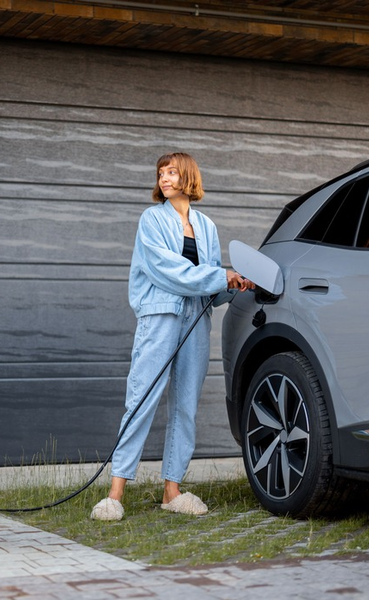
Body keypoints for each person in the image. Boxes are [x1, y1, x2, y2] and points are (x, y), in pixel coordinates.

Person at [91, 152, 253, 521]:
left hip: (195, 322)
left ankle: (172, 490)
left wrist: (236, 284)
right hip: (161, 318)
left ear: (188, 178)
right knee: (141, 400)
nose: (164, 179)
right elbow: (167, 271)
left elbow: (211, 283)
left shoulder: (206, 226)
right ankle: (115, 493)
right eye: (161, 173)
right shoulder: (151, 219)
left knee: (185, 406)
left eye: (172, 172)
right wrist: (218, 276)